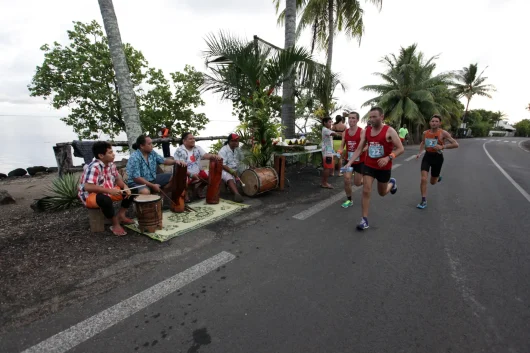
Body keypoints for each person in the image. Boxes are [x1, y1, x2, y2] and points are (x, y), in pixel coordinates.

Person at [344, 107, 404, 230]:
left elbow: (400, 148)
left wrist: (388, 158)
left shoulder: (389, 131)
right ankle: (364, 220)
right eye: (370, 117)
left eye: (374, 117)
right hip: (369, 165)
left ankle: (392, 183)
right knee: (366, 190)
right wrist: (349, 162)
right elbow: (360, 148)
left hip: (384, 167)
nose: (371, 119)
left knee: (382, 193)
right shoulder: (367, 131)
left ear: (381, 117)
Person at [78, 141, 134, 236]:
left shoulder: (111, 164)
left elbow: (117, 179)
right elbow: (88, 187)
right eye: (110, 152)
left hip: (108, 190)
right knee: (105, 200)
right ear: (101, 155)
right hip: (90, 195)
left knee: (131, 191)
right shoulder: (94, 167)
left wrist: (125, 187)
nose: (113, 154)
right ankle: (115, 223)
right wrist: (110, 191)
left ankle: (121, 215)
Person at [416, 114, 459, 209]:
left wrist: (443, 146)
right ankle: (423, 201)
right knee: (423, 179)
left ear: (440, 123)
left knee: (432, 182)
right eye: (432, 121)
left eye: (436, 121)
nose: (434, 123)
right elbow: (423, 142)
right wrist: (419, 153)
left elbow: (456, 144)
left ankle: (437, 176)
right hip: (427, 157)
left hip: (438, 158)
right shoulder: (425, 133)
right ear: (429, 122)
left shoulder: (443, 133)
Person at [173, 132, 221, 199]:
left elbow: (206, 155)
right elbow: (181, 168)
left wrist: (214, 155)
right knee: (181, 178)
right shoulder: (180, 151)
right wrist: (191, 175)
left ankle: (199, 189)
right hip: (185, 173)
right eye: (190, 139)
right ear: (184, 141)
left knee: (211, 174)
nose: (193, 140)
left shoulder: (197, 148)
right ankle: (185, 194)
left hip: (197, 172)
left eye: (193, 139)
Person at [339, 112, 366, 208]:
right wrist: (340, 151)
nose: (351, 120)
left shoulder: (362, 132)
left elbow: (367, 145)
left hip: (359, 161)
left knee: (357, 183)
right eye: (349, 118)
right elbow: (342, 146)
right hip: (348, 160)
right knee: (346, 179)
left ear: (357, 120)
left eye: (353, 118)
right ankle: (349, 200)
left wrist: (362, 150)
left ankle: (366, 180)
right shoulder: (345, 132)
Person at [218, 133, 244, 202]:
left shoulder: (237, 149)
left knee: (244, 171)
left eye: (237, 141)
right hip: (225, 170)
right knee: (229, 177)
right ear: (230, 141)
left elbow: (242, 159)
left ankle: (240, 189)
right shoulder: (223, 150)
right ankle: (237, 194)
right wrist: (231, 171)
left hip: (235, 169)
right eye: (235, 141)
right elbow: (222, 165)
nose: (237, 142)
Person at [321, 117, 340, 189]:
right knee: (327, 167)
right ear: (324, 123)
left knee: (328, 167)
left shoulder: (327, 129)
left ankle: (324, 182)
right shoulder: (325, 130)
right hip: (327, 151)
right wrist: (343, 133)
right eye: (329, 122)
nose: (330, 123)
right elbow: (334, 134)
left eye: (331, 122)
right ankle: (324, 183)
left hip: (328, 150)